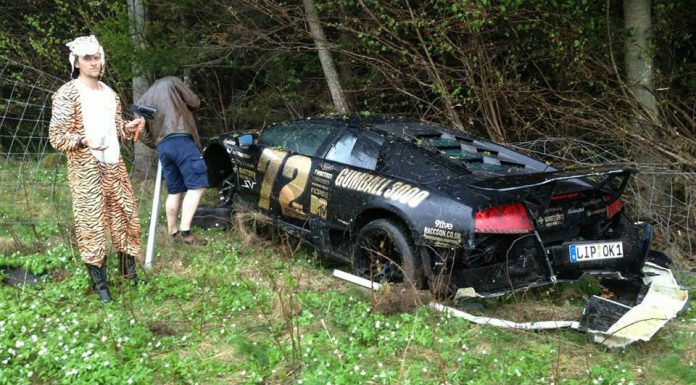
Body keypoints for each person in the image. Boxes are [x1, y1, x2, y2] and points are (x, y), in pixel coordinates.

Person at [49, 35, 144, 302]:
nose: (94, 62)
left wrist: (128, 128)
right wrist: (81, 140)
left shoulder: (110, 93)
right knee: (91, 224)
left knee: (127, 217)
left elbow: (116, 131)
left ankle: (129, 273)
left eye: (97, 57)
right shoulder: (67, 94)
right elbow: (57, 136)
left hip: (114, 165)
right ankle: (100, 284)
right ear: (77, 62)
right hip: (86, 169)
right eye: (88, 58)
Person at [137, 76, 209, 245]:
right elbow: (195, 102)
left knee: (175, 190)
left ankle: (173, 232)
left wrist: (156, 143)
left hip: (163, 146)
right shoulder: (171, 81)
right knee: (197, 185)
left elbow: (141, 133)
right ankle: (185, 233)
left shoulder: (143, 99)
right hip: (181, 137)